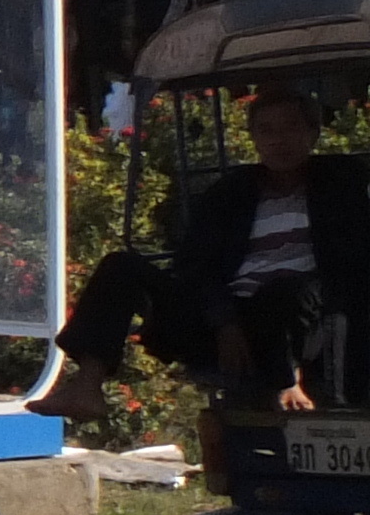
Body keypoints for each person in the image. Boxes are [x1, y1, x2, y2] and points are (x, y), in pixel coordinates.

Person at [34, 85, 370, 420]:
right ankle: (87, 386)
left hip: (306, 316)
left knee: (288, 290)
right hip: (224, 314)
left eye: (290, 128)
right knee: (120, 266)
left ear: (312, 133)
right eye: (266, 130)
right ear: (253, 137)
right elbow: (196, 265)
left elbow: (347, 265)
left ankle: (285, 380)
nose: (278, 140)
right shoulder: (232, 192)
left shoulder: (341, 185)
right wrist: (224, 320)